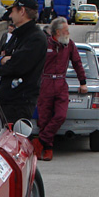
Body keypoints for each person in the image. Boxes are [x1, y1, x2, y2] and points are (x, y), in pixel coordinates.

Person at [33, 17, 86, 161]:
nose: (68, 32)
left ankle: (39, 142)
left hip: (61, 83)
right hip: (46, 83)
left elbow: (77, 63)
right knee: (44, 118)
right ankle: (48, 149)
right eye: (66, 30)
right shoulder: (45, 44)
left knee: (61, 115)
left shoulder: (70, 45)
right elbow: (35, 63)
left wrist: (83, 82)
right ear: (57, 32)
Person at [0, 0, 48, 123]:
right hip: (6, 100)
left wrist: (4, 64)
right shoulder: (17, 35)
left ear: (22, 11)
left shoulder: (36, 38)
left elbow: (15, 67)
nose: (10, 16)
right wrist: (1, 60)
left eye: (13, 11)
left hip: (20, 103)